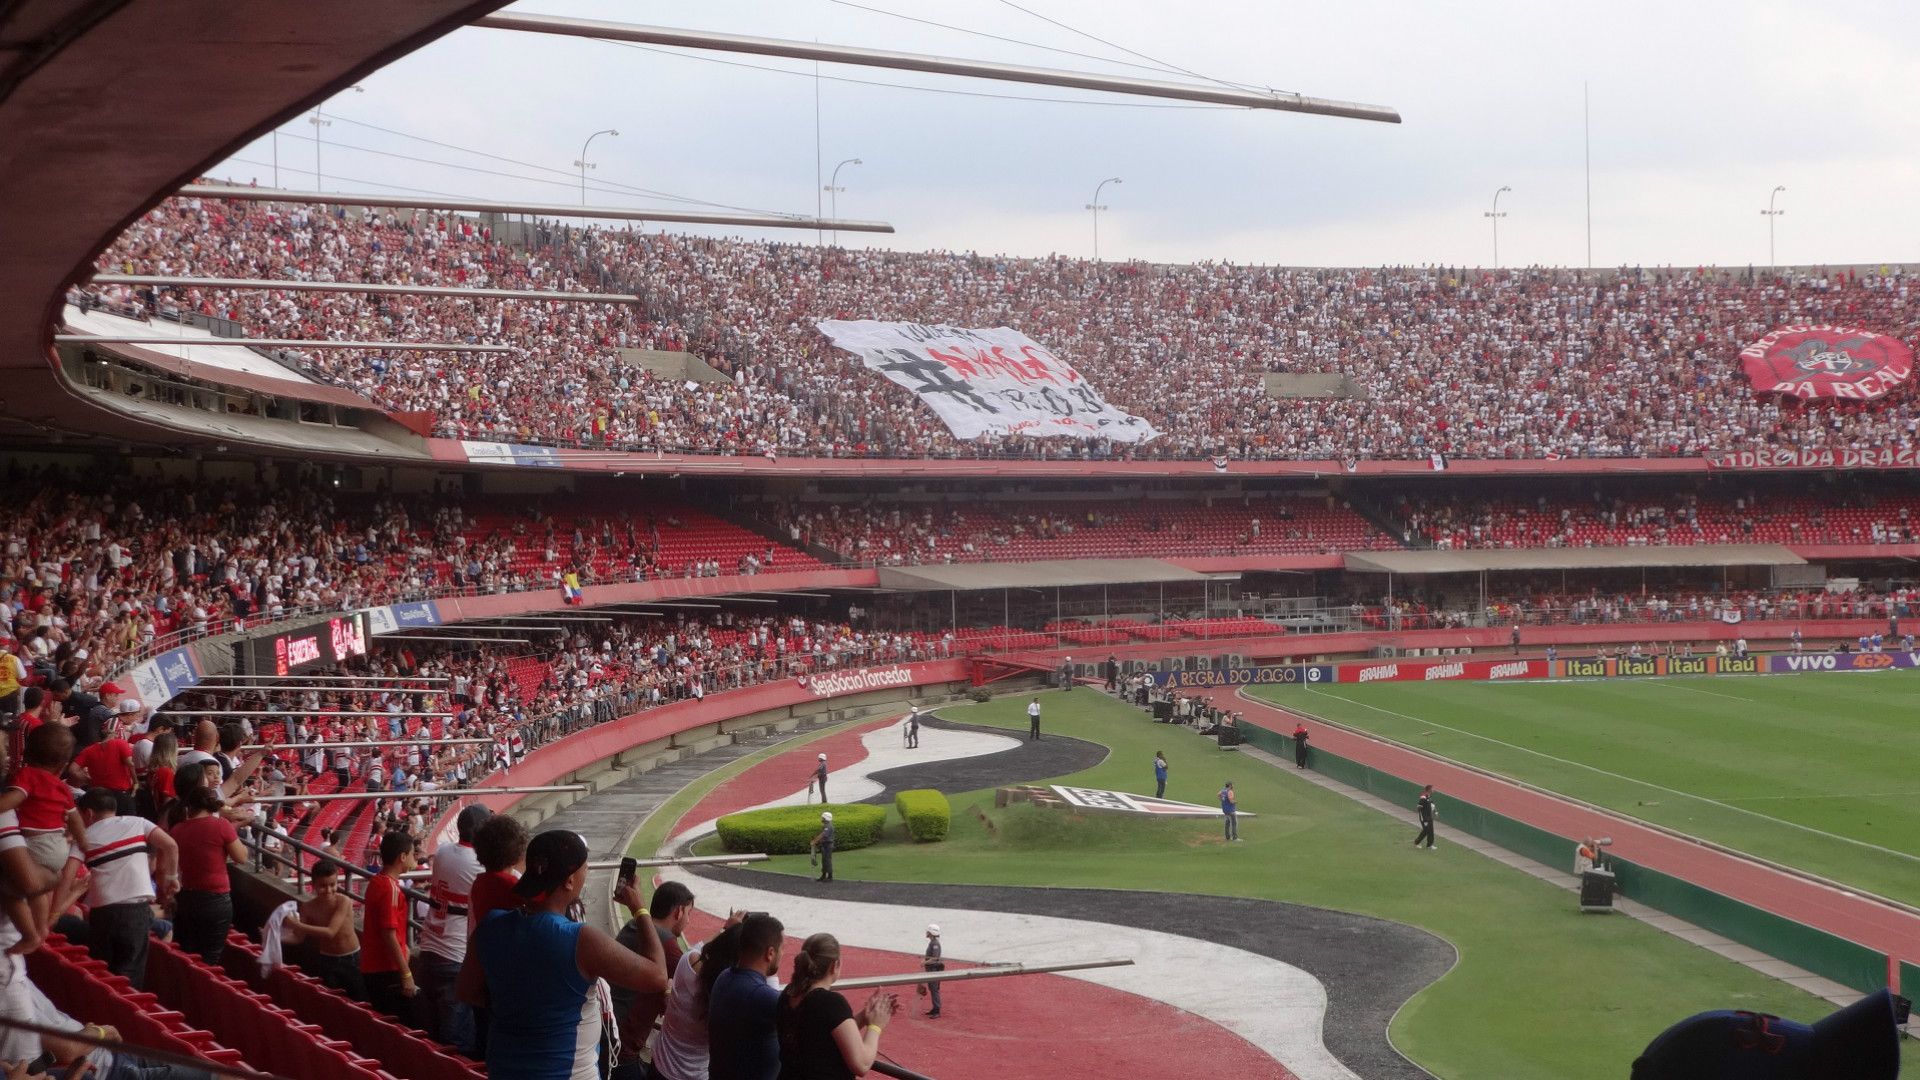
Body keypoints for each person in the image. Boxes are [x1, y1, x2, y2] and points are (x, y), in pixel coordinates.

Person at [459, 829, 667, 1080]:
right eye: (585, 868)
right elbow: (656, 976)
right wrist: (640, 908)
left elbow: (467, 991)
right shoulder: (580, 940)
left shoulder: (491, 926)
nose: (586, 873)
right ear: (569, 881)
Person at [75, 786, 177, 988]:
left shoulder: (84, 838)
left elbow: (69, 873)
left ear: (88, 813)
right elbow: (171, 846)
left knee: (101, 975)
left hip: (101, 914)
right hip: (134, 913)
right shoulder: (137, 823)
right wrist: (171, 877)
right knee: (128, 980)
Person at [416, 804, 490, 1054]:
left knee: (434, 1036)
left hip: (429, 951)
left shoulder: (444, 851)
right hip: (454, 958)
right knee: (456, 1044)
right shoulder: (479, 867)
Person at [775, 933, 897, 1080]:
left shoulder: (789, 993)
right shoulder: (831, 1002)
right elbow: (862, 1065)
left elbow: (823, 1033)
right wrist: (876, 1026)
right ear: (835, 965)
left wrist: (864, 1017)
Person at [166, 778, 246, 962]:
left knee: (185, 953)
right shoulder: (221, 826)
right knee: (210, 956)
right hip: (214, 900)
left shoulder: (177, 829)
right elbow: (241, 857)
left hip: (186, 897)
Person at [612, 880, 692, 1063]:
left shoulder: (633, 925)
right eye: (689, 913)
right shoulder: (667, 943)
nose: (688, 920)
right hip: (623, 1046)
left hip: (610, 1029)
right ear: (679, 912)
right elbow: (694, 973)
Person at [653, 922, 743, 1080]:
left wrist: (725, 929)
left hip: (660, 1067)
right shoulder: (731, 1000)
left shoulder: (687, 962)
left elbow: (700, 948)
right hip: (696, 1076)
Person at [709, 913, 784, 1080]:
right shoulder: (761, 996)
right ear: (770, 953)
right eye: (781, 948)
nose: (783, 954)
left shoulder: (724, 977)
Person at [285, 861, 363, 1000]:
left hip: (351, 958)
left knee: (359, 998)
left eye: (332, 885)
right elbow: (298, 937)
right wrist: (273, 936)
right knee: (332, 1000)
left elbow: (330, 932)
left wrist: (296, 925)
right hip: (327, 959)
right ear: (313, 885)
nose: (328, 890)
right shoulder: (307, 907)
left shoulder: (343, 901)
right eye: (323, 886)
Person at [362, 830, 417, 1020]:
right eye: (411, 853)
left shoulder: (376, 882)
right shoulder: (390, 888)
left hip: (373, 968)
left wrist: (405, 948)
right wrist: (406, 974)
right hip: (386, 970)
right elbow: (388, 934)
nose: (413, 857)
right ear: (402, 857)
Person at [919, 924, 944, 1019]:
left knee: (934, 989)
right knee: (932, 989)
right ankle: (935, 1008)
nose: (926, 933)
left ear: (931, 933)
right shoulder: (932, 943)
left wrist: (924, 962)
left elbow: (935, 958)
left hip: (934, 969)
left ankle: (937, 1010)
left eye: (927, 931)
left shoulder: (935, 944)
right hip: (931, 969)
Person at [811, 812, 835, 883]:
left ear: (825, 818)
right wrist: (817, 842)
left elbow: (822, 835)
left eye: (823, 818)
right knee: (824, 860)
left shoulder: (828, 826)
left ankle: (830, 877)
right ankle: (824, 875)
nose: (822, 819)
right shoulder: (825, 826)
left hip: (828, 845)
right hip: (825, 845)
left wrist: (814, 841)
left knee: (827, 860)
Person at [1413, 784, 1437, 850]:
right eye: (1433, 789)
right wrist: (1423, 817)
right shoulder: (1423, 797)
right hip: (1425, 818)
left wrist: (1435, 812)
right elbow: (1419, 807)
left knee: (1431, 830)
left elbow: (1432, 805)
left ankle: (1429, 845)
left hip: (1430, 817)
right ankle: (1416, 842)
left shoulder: (1429, 797)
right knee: (1426, 830)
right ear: (1429, 789)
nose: (1434, 790)